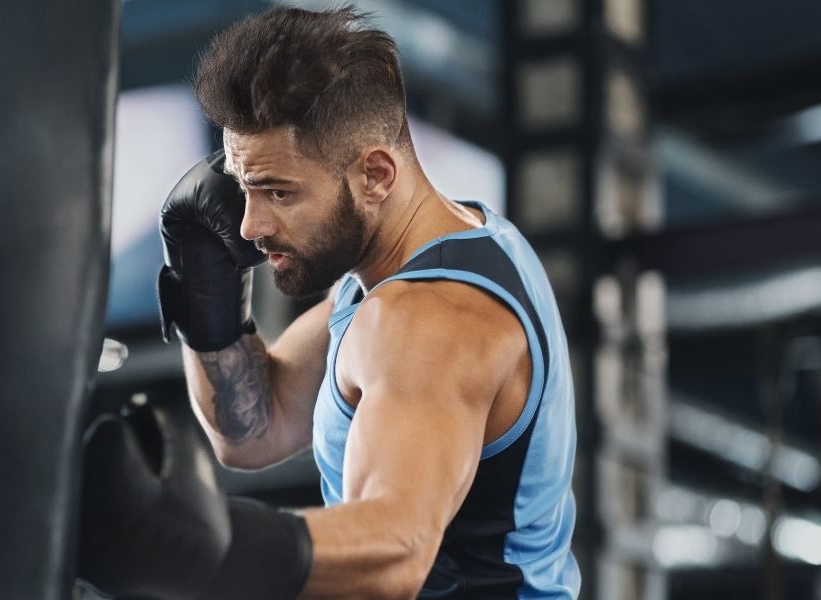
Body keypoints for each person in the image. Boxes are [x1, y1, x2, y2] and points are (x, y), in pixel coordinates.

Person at [78, 6, 579, 599]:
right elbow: (254, 430)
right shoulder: (399, 270)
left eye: (278, 192)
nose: (249, 224)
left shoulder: (430, 320)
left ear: (376, 174)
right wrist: (202, 292)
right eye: (243, 186)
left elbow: (396, 557)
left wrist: (209, 547)